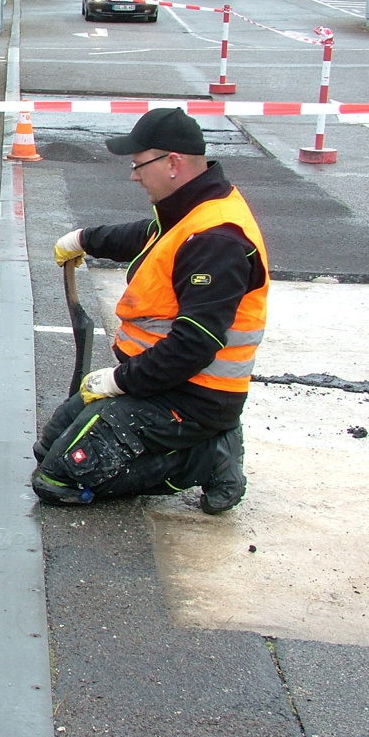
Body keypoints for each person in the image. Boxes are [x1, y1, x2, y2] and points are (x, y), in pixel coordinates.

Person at [31, 108, 268, 515]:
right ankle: (200, 444)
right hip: (163, 382)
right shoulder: (191, 208)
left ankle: (208, 455)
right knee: (47, 447)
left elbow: (194, 346)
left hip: (194, 395)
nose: (134, 175)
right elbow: (150, 236)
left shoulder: (217, 240)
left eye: (140, 165)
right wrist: (86, 239)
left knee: (59, 478)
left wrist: (120, 381)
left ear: (173, 163)